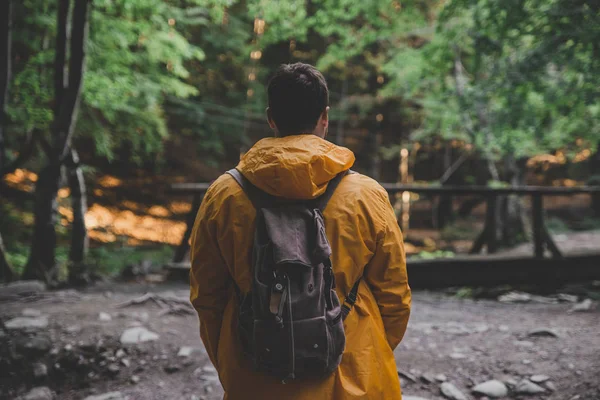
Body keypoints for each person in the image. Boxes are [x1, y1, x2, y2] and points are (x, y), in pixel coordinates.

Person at [190, 63, 411, 399]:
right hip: (354, 377)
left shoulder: (224, 195)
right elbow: (394, 297)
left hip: (256, 375)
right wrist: (365, 354)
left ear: (271, 118)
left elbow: (207, 298)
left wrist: (233, 362)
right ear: (324, 117)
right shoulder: (366, 195)